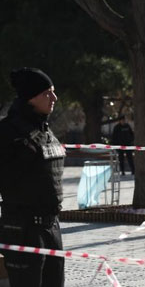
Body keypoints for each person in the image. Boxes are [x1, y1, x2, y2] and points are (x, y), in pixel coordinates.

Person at [0, 67, 65, 287]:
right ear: (30, 97)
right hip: (23, 229)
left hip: (51, 227)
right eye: (47, 93)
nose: (54, 98)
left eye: (53, 91)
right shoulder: (8, 132)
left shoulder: (44, 129)